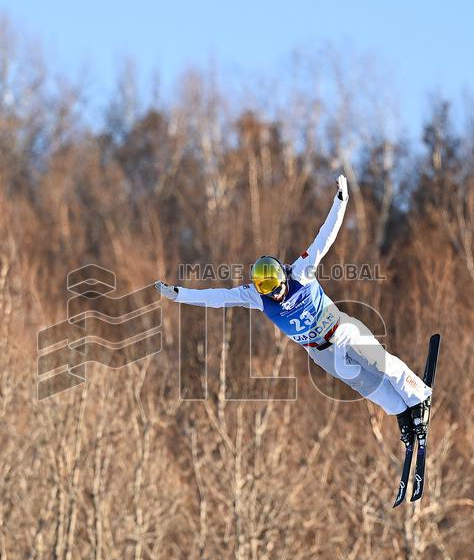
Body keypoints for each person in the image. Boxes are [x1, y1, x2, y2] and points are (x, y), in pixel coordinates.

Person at [155, 174, 432, 443]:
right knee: (366, 384)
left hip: (341, 332)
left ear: (282, 275)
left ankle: (418, 396)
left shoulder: (301, 272)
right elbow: (218, 298)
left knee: (378, 363)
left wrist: (341, 199)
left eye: (275, 286)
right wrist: (180, 296)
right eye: (267, 290)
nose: (274, 294)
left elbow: (324, 239)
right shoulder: (256, 296)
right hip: (320, 352)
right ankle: (401, 412)